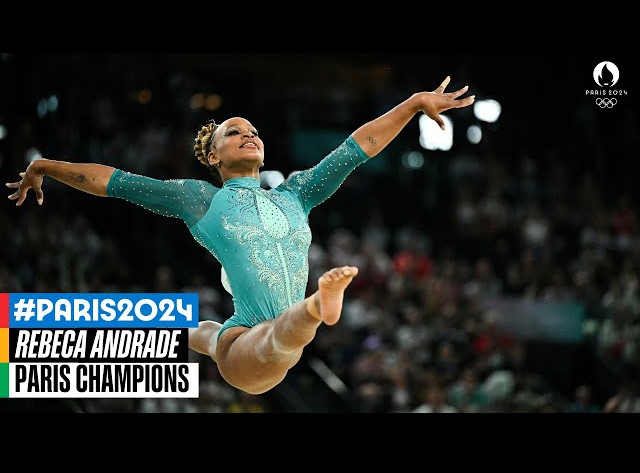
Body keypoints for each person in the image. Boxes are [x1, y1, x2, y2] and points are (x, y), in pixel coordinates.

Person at [6, 76, 474, 395]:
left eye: (252, 131)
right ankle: (316, 307)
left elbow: (357, 148)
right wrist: (46, 166)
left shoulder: (296, 193)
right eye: (234, 133)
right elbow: (114, 181)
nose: (249, 135)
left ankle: (202, 328)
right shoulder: (201, 200)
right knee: (277, 339)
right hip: (249, 349)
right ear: (212, 157)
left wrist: (412, 104)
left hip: (243, 338)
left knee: (222, 337)